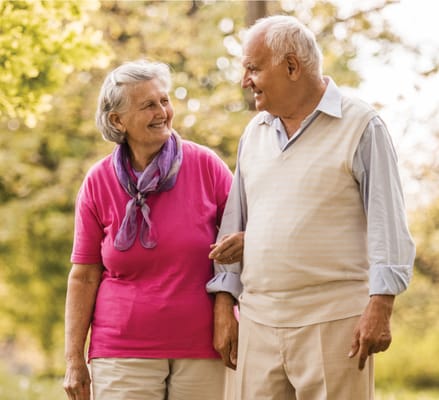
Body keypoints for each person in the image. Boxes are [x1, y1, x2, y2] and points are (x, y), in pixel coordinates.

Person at [207, 15, 416, 400]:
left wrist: (381, 305)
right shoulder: (254, 133)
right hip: (258, 321)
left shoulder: (361, 126)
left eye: (253, 68)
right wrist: (225, 304)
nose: (244, 80)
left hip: (334, 322)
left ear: (291, 66)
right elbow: (233, 227)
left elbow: (388, 226)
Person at [63, 60, 233, 400]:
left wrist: (228, 311)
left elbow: (239, 248)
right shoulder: (98, 181)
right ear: (117, 120)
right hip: (120, 350)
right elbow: (84, 275)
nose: (162, 112)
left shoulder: (206, 166)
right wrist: (73, 359)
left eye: (164, 101)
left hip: (203, 345)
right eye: (148, 105)